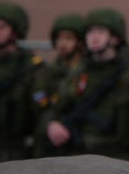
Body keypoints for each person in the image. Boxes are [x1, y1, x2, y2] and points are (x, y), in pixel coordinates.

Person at [44, 7, 129, 162]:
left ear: (114, 38)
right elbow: (57, 105)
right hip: (80, 155)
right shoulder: (80, 72)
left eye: (100, 32)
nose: (93, 37)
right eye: (90, 32)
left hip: (119, 158)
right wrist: (52, 123)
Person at [0, 0, 41, 162]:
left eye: (1, 27)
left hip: (11, 151)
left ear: (15, 32)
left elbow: (39, 110)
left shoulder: (31, 67)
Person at [30, 13, 85, 158]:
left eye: (68, 38)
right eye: (59, 38)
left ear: (79, 41)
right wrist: (49, 122)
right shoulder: (48, 71)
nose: (62, 43)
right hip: (49, 136)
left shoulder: (85, 71)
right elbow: (39, 98)